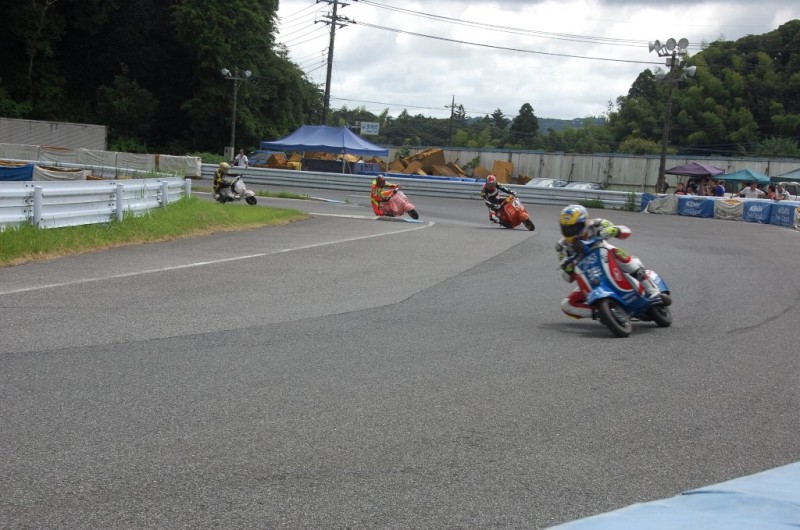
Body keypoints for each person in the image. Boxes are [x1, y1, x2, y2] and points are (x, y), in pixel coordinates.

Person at [555, 205, 663, 319]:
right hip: (588, 275)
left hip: (606, 256)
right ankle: (600, 313)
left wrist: (614, 230)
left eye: (574, 228)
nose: (570, 231)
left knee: (618, 253)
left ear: (584, 222)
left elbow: (626, 231)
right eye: (566, 228)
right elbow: (567, 278)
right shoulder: (562, 246)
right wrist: (568, 269)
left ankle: (651, 289)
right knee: (566, 305)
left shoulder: (596, 224)